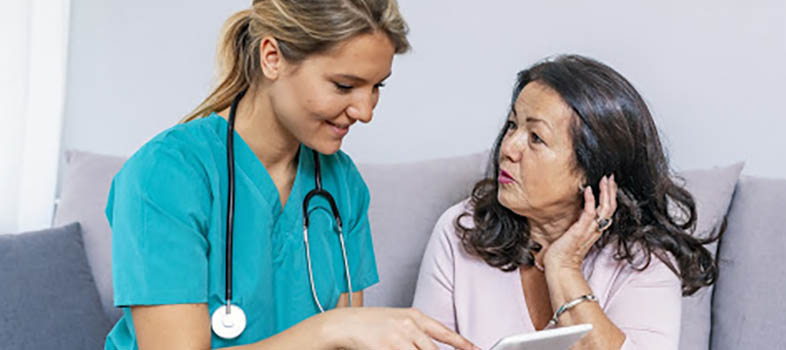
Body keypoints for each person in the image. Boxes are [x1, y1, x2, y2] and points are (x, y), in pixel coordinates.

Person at [105, 1, 477, 349]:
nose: (365, 111)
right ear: (272, 58)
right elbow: (343, 331)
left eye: (376, 86)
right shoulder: (165, 175)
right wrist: (332, 327)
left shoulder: (341, 184)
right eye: (344, 86)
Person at [412, 55, 718, 350]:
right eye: (512, 125)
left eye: (535, 138)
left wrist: (564, 268)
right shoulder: (461, 230)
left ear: (590, 169)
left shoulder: (643, 260)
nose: (508, 147)